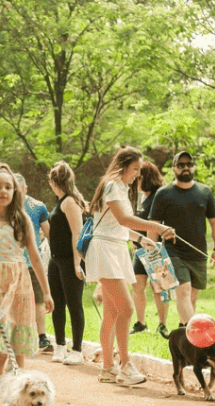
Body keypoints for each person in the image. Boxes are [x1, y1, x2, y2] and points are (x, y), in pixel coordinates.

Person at [85, 147, 174, 385]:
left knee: (112, 314)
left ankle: (107, 368)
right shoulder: (113, 184)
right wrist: (157, 227)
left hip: (114, 248)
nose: (137, 174)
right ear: (123, 166)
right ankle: (125, 366)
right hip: (106, 251)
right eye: (135, 169)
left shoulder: (120, 187)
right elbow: (123, 219)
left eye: (138, 170)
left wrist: (141, 238)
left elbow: (117, 225)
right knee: (127, 309)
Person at [0, 164, 54, 405]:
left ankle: (20, 384)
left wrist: (47, 292)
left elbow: (36, 257)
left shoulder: (23, 219)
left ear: (15, 191)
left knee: (18, 330)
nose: (3, 191)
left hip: (20, 281)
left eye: (8, 187)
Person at [147, 151, 215, 330]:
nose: (186, 167)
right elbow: (153, 225)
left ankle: (183, 331)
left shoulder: (204, 191)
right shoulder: (163, 193)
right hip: (173, 252)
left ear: (193, 166)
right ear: (173, 168)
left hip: (198, 252)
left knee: (192, 296)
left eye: (189, 164)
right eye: (181, 165)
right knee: (183, 291)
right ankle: (196, 336)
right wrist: (153, 253)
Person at [46, 161, 88, 365]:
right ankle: (60, 345)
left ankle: (78, 350)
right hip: (56, 260)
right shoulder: (61, 201)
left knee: (73, 304)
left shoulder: (70, 202)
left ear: (54, 181)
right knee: (58, 305)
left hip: (69, 261)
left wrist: (76, 263)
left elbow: (77, 233)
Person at [129, 162, 171, 336]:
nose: (135, 180)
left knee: (160, 286)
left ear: (145, 177)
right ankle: (140, 323)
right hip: (139, 248)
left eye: (138, 176)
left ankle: (162, 323)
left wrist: (152, 248)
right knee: (138, 286)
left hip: (156, 248)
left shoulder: (158, 195)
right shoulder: (140, 197)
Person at [13, 173, 53, 354]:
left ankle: (42, 336)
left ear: (25, 189)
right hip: (12, 264)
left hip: (32, 261)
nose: (17, 195)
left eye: (20, 191)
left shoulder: (38, 207)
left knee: (38, 299)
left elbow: (48, 232)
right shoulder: (6, 208)